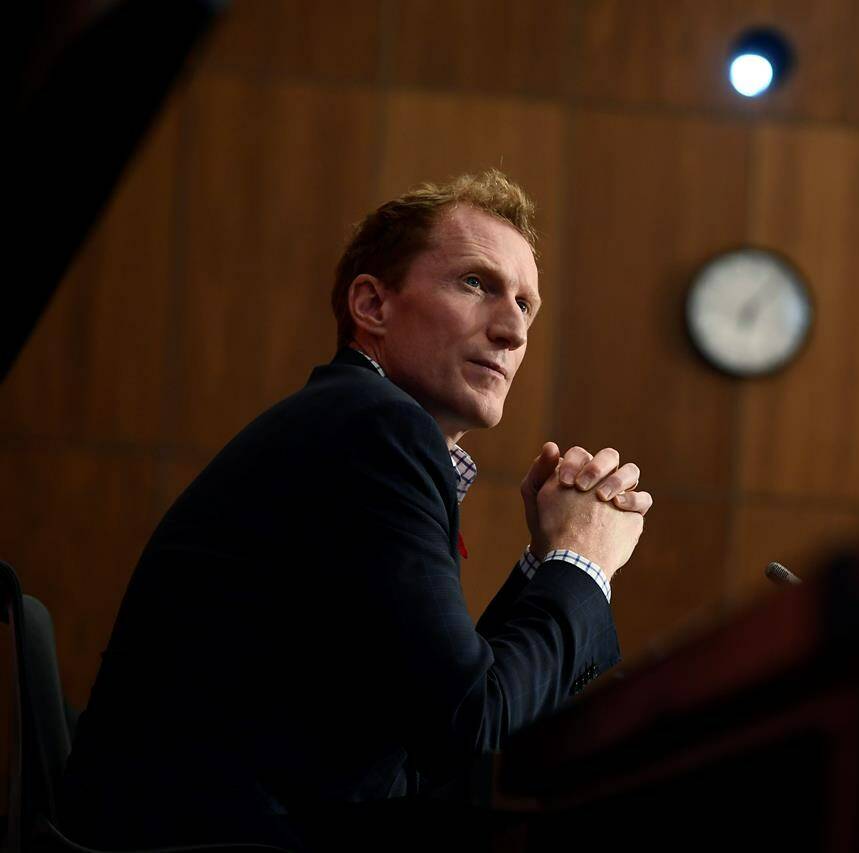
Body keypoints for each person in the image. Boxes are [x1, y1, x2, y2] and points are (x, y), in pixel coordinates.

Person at [58, 171, 651, 849]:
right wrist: (584, 562)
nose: (514, 330)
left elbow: (433, 716)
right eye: (477, 284)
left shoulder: (356, 426)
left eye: (526, 303)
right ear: (372, 304)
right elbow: (471, 728)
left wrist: (552, 560)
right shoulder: (376, 431)